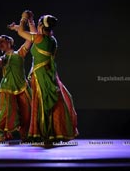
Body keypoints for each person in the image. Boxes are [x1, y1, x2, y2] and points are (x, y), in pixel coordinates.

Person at [11, 10, 79, 144]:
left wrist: (23, 19)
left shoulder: (39, 38)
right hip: (49, 75)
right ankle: (52, 133)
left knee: (42, 103)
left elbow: (22, 33)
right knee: (50, 102)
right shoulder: (51, 40)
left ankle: (44, 134)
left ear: (42, 26)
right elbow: (34, 34)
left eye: (39, 24)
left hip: (41, 75)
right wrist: (31, 21)